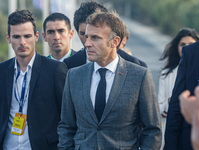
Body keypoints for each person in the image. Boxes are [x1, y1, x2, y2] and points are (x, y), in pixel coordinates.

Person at [57, 11, 161, 149]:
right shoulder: (74, 76)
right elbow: (66, 126)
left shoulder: (139, 76)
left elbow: (153, 130)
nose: (87, 43)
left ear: (115, 41)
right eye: (87, 37)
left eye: (95, 38)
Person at [0, 10, 67, 149]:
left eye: (27, 36)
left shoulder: (55, 70)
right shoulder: (1, 71)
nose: (22, 42)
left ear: (36, 36)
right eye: (16, 37)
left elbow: (67, 117)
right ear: (8, 38)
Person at [63, 1, 147, 69]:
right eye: (84, 35)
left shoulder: (137, 66)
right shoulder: (68, 65)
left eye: (95, 37)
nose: (87, 42)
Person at [158, 28, 199, 150]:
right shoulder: (191, 53)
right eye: (182, 44)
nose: (185, 46)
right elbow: (175, 109)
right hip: (190, 140)